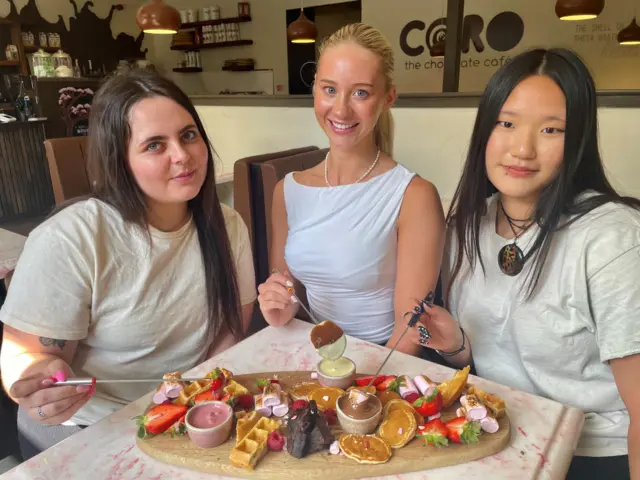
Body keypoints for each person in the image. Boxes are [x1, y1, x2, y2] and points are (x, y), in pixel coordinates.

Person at [0, 70, 257, 459]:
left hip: (190, 413)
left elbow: (231, 326)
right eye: (155, 145)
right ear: (119, 161)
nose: (182, 155)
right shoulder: (70, 240)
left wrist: (198, 397)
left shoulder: (227, 225)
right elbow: (27, 358)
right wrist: (44, 380)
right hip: (91, 427)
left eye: (188, 135)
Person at [411, 48, 639, 479]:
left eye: (551, 129)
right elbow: (498, 355)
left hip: (591, 454)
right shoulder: (466, 225)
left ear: (578, 142)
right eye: (507, 123)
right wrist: (457, 345)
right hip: (501, 435)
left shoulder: (612, 239)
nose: (522, 148)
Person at [256, 23, 445, 356]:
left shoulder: (414, 196)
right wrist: (281, 304)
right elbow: (286, 285)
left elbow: (409, 329)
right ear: (315, 90)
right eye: (329, 89)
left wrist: (362, 389)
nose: (341, 109)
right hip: (310, 355)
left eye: (360, 92)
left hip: (381, 366)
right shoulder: (287, 191)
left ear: (388, 98)